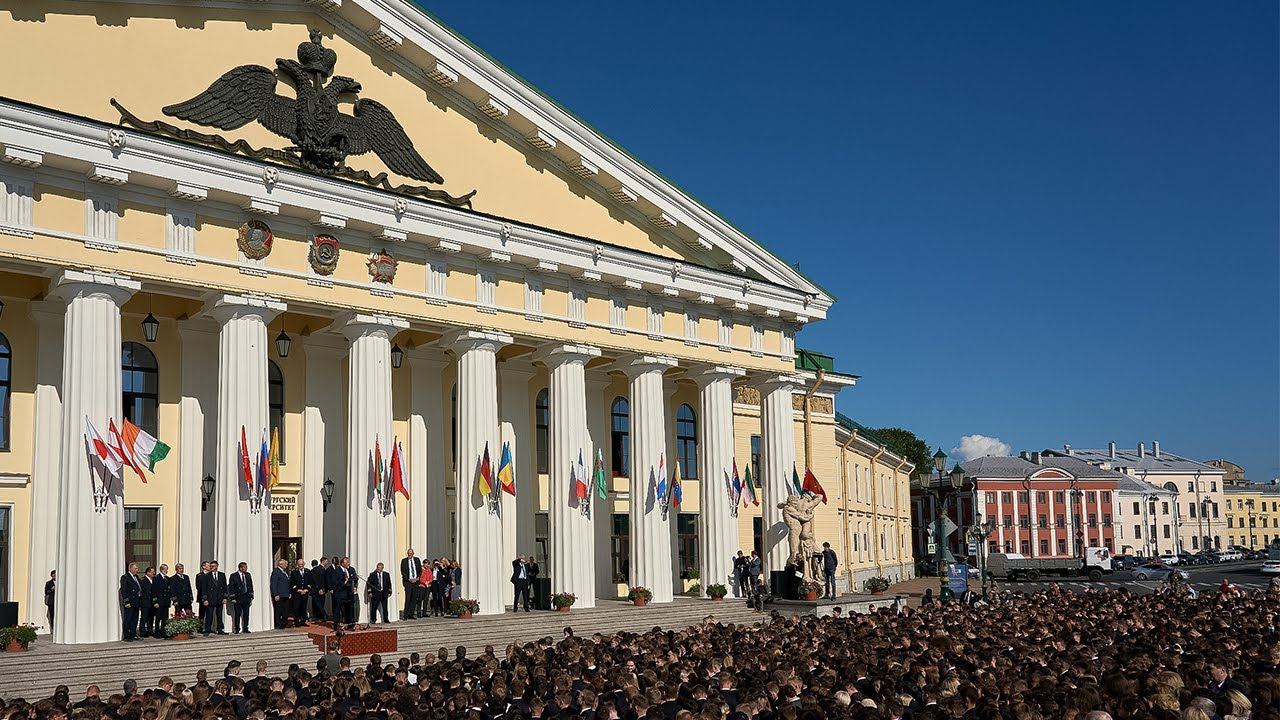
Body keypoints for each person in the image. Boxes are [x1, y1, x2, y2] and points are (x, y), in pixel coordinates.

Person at [201, 560, 228, 636]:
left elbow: (225, 587)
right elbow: (204, 588)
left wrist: (225, 597)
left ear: (216, 566)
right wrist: (205, 599)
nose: (211, 567)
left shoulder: (222, 575)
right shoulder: (207, 576)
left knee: (219, 615)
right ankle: (207, 630)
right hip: (210, 599)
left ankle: (220, 629)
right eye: (210, 566)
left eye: (213, 566)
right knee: (209, 615)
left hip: (219, 598)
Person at [228, 561, 255, 633]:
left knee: (246, 614)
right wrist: (232, 598)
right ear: (240, 568)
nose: (246, 569)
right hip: (238, 598)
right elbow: (231, 587)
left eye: (246, 567)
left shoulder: (248, 575)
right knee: (237, 614)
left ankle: (245, 628)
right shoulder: (233, 575)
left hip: (246, 597)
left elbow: (250, 585)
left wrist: (251, 595)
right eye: (245, 567)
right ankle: (236, 628)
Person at [119, 562, 142, 641]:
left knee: (135, 619)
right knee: (128, 619)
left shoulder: (137, 577)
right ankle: (127, 636)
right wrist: (126, 602)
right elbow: (124, 590)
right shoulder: (125, 577)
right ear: (130, 569)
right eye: (135, 568)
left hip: (136, 601)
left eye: (137, 568)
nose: (137, 570)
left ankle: (133, 634)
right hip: (130, 602)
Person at [399, 548, 423, 619]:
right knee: (408, 598)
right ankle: (405, 615)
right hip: (408, 582)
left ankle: (411, 614)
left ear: (413, 554)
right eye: (408, 553)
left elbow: (419, 570)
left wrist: (417, 578)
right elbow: (403, 571)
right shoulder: (404, 561)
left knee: (414, 598)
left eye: (411, 553)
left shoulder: (417, 560)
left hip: (416, 581)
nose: (409, 554)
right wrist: (409, 579)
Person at [335, 556, 359, 628]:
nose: (348, 564)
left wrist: (354, 586)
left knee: (349, 608)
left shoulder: (350, 569)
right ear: (342, 563)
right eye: (347, 562)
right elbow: (336, 581)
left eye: (348, 562)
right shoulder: (337, 570)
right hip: (340, 593)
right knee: (338, 609)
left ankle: (350, 623)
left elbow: (355, 578)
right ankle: (336, 624)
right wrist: (344, 583)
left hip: (348, 593)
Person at [270, 559, 291, 629]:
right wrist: (275, 594)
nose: (286, 565)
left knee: (286, 610)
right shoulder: (276, 572)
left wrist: (289, 593)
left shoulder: (284, 572)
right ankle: (278, 624)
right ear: (281, 564)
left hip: (286, 595)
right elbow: (274, 584)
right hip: (280, 595)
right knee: (279, 610)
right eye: (285, 564)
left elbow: (287, 584)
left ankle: (284, 623)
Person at [152, 564, 172, 638]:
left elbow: (169, 590)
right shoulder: (156, 578)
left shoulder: (167, 578)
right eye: (166, 569)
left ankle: (164, 632)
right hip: (159, 601)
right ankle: (157, 632)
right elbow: (154, 591)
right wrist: (155, 602)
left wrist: (169, 601)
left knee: (165, 618)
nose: (167, 571)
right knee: (158, 618)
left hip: (166, 601)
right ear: (162, 569)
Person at [289, 558, 310, 626]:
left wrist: (306, 589)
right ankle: (297, 621)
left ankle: (303, 621)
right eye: (299, 564)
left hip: (305, 593)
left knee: (303, 607)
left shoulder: (308, 572)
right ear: (297, 565)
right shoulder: (294, 572)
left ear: (304, 564)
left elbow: (311, 582)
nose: (300, 566)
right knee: (296, 607)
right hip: (297, 593)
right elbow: (292, 583)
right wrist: (298, 590)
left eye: (301, 564)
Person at [138, 566, 156, 638]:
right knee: (144, 617)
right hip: (145, 602)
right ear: (147, 572)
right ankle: (142, 632)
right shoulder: (142, 580)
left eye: (154, 572)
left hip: (152, 602)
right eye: (152, 572)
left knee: (151, 617)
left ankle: (150, 630)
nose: (154, 573)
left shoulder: (154, 580)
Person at [310, 557, 331, 621]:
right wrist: (319, 589)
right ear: (323, 561)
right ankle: (323, 615)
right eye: (326, 561)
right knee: (317, 603)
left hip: (323, 590)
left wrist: (325, 589)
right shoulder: (316, 569)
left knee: (321, 603)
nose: (327, 563)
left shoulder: (324, 569)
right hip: (317, 590)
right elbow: (316, 580)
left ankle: (319, 616)